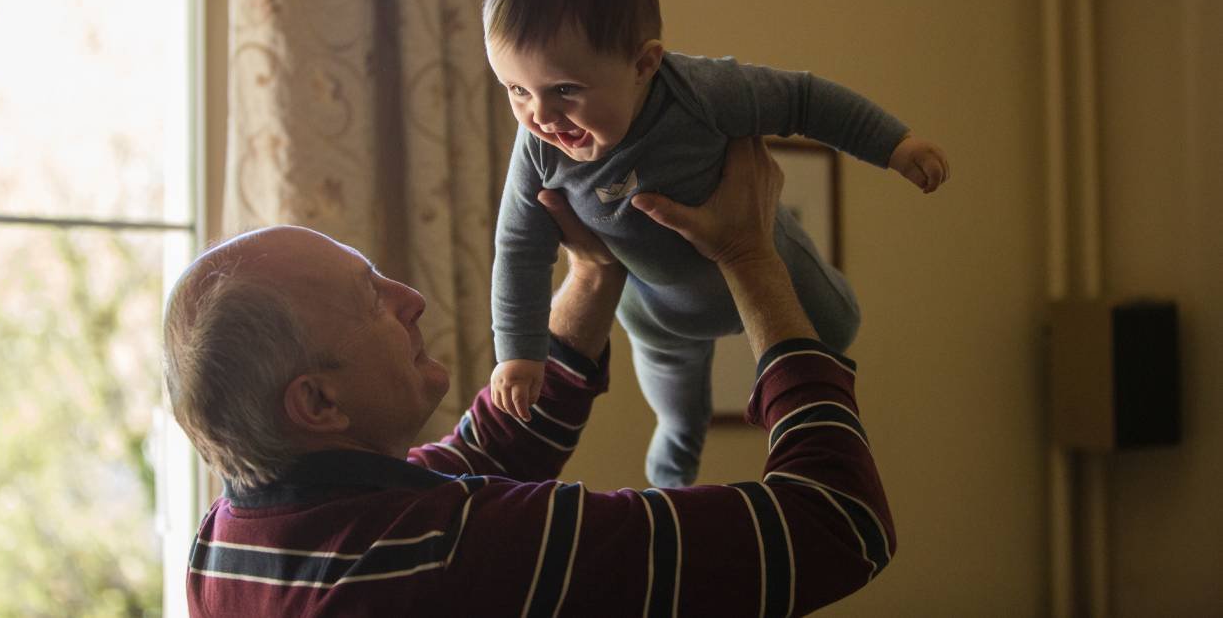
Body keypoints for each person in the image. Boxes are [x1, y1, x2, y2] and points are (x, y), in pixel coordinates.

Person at [164, 137, 896, 617]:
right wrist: (750, 255)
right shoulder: (458, 554)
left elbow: (485, 452)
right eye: (371, 298)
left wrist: (594, 270)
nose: (410, 298)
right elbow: (837, 522)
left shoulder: (228, 542)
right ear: (318, 401)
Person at [486, 0, 949, 486]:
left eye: (565, 90)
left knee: (839, 327)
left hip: (767, 258)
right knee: (679, 414)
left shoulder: (702, 93)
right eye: (515, 90)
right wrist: (518, 352)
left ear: (643, 65)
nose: (540, 116)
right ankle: (671, 483)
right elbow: (518, 248)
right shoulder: (538, 149)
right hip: (658, 313)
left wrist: (895, 145)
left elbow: (804, 100)